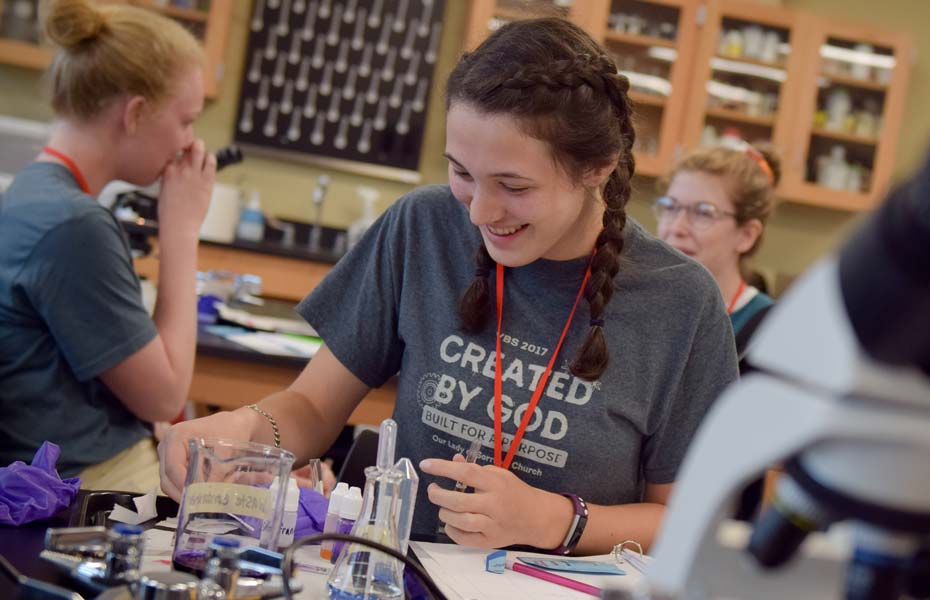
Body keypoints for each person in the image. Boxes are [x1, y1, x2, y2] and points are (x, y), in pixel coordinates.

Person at [159, 18, 737, 555]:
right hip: (406, 572)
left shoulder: (681, 301)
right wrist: (246, 427)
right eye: (461, 172)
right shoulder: (421, 228)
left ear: (599, 168)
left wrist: (556, 519)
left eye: (513, 185)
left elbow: (692, 520)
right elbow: (311, 405)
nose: (481, 213)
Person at [0, 0, 214, 491]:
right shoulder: (76, 226)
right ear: (136, 113)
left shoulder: (33, 193)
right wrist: (181, 230)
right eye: (186, 121)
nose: (188, 143)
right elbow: (165, 397)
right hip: (83, 484)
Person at [656, 142, 779, 359]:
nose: (676, 228)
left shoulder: (769, 330)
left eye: (703, 213)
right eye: (671, 207)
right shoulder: (638, 304)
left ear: (747, 235)